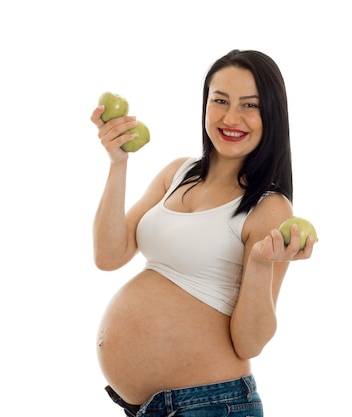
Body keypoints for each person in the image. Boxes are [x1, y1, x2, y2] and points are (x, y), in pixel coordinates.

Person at [89, 49, 316, 417]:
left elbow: (249, 343)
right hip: (148, 408)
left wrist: (260, 263)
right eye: (220, 101)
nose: (231, 117)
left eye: (249, 105)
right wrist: (119, 164)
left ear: (271, 115)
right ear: (205, 104)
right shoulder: (177, 173)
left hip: (212, 404)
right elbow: (108, 256)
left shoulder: (270, 208)